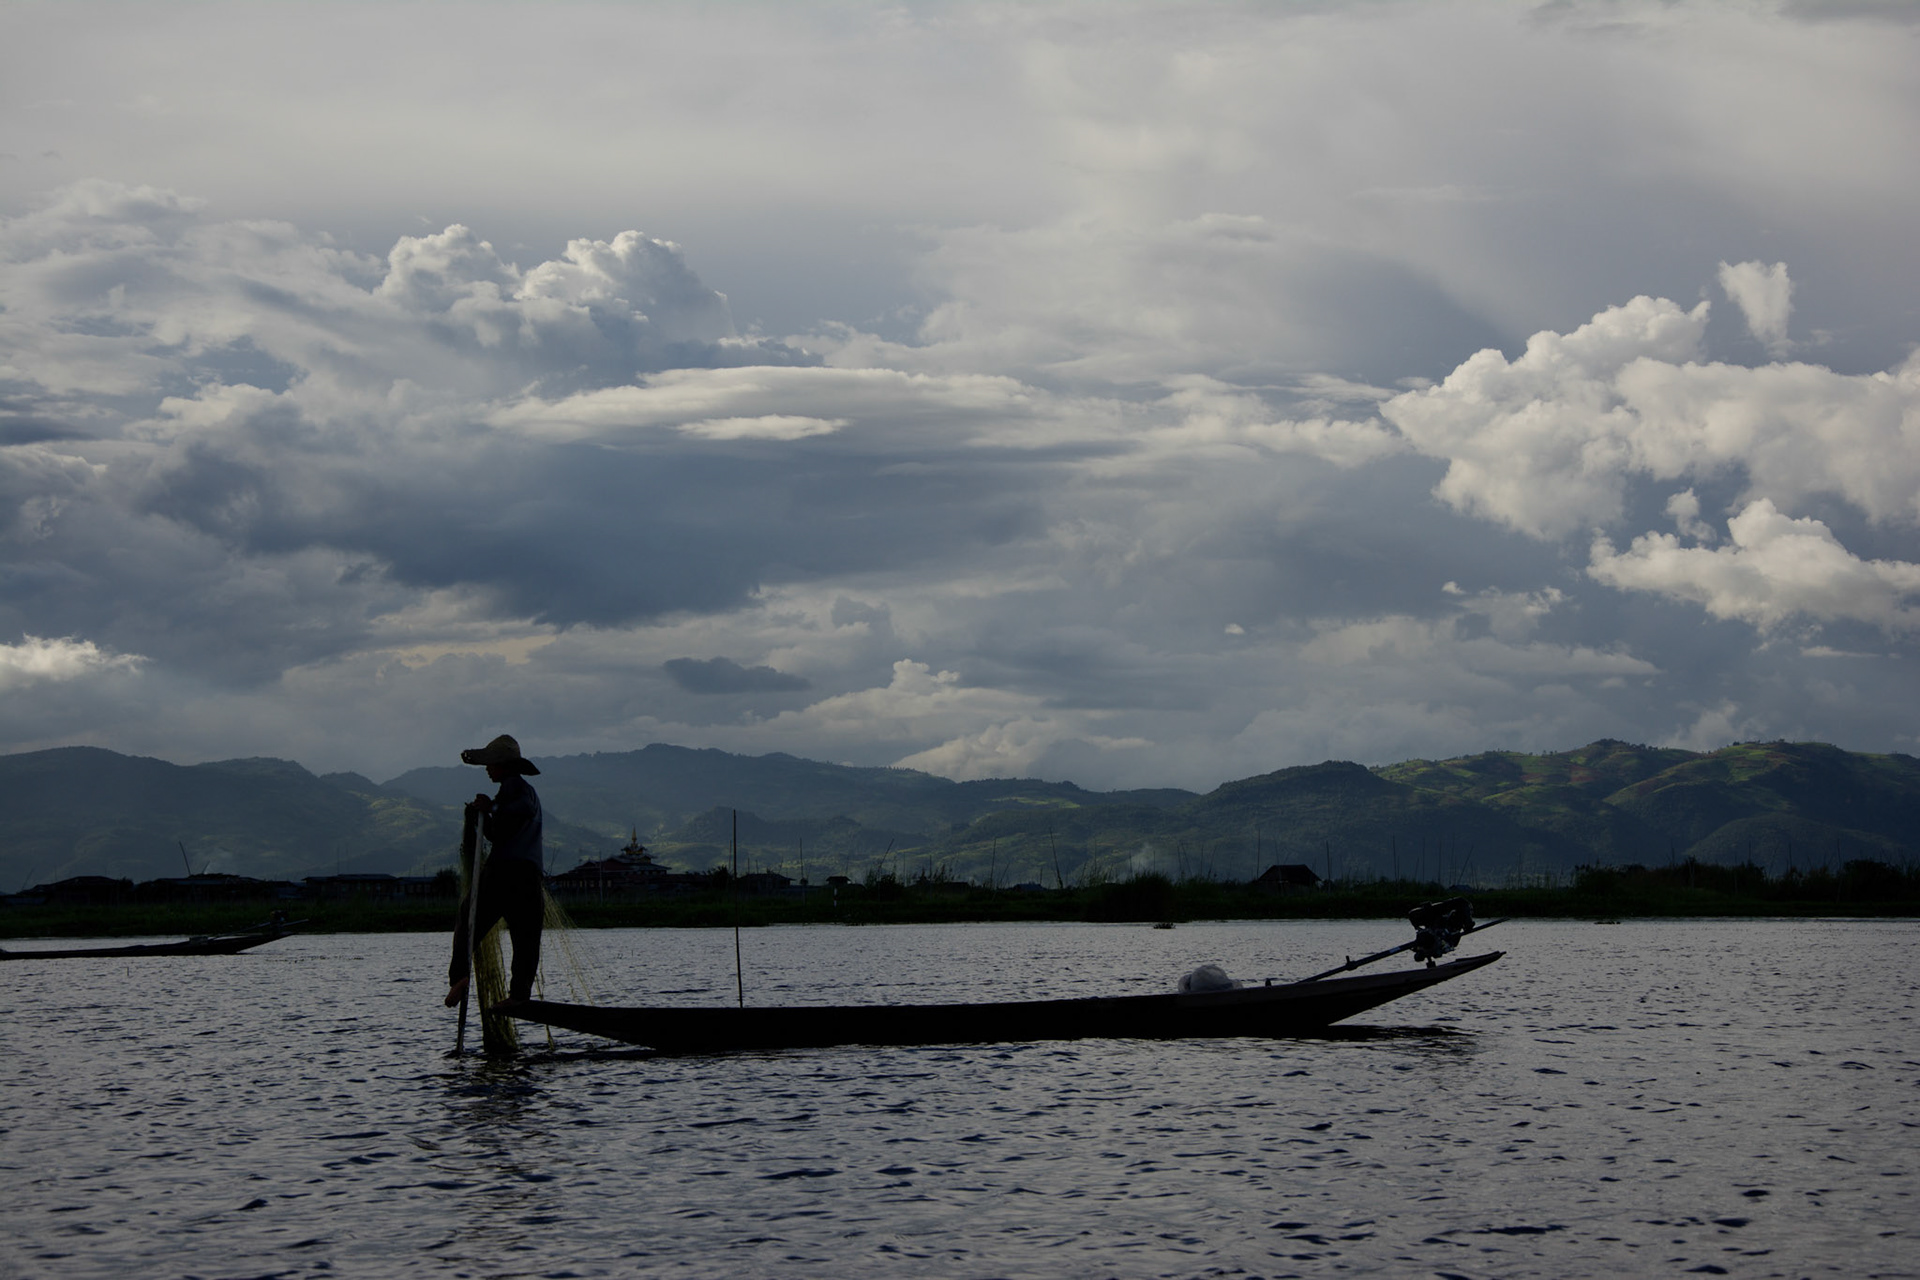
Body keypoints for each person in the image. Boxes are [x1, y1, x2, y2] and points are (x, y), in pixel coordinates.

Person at [444, 734, 545, 1011]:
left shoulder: (516, 788)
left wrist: (492, 807)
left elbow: (520, 810)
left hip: (505, 873)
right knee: (526, 940)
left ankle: (459, 976)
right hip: (526, 877)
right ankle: (519, 994)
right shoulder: (515, 791)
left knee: (468, 922)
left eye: (491, 764)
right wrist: (482, 816)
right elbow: (499, 833)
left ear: (504, 765)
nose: (487, 769)